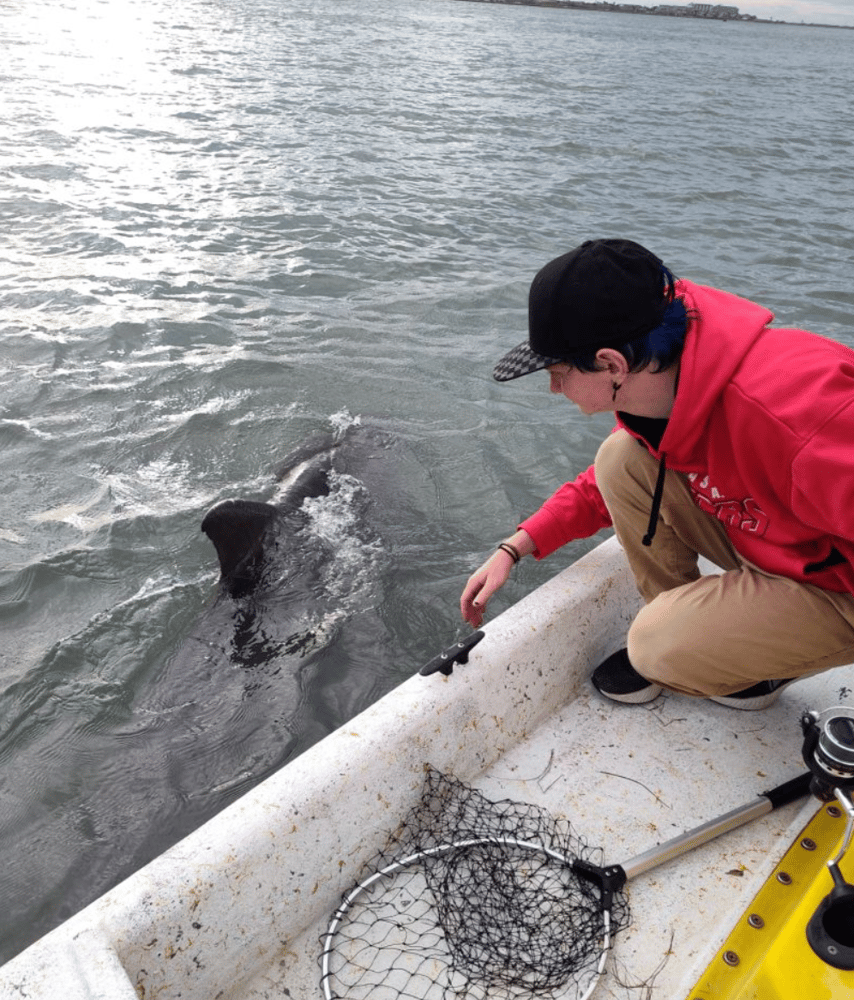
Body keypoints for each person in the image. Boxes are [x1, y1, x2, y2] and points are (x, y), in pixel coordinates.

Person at [460, 238, 854, 710]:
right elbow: (610, 483)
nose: (551, 387)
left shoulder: (800, 415)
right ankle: (713, 647)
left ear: (611, 364)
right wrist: (515, 547)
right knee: (620, 458)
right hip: (788, 542)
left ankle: (707, 651)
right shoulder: (668, 388)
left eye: (559, 371)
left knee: (651, 647)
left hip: (839, 586)